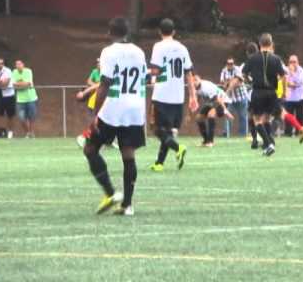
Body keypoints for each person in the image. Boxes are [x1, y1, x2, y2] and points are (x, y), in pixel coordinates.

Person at [83, 17, 147, 216]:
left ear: (110, 33)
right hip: (135, 108)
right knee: (128, 154)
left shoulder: (108, 52)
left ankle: (111, 193)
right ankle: (128, 205)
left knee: (90, 148)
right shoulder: (139, 51)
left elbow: (105, 84)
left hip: (114, 108)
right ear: (127, 33)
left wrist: (95, 114)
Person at [149, 19, 198, 172]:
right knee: (168, 131)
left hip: (162, 94)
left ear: (159, 32)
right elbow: (188, 74)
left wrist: (148, 74)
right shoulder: (182, 48)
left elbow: (156, 70)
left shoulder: (158, 46)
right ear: (174, 32)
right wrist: (193, 96)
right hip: (177, 96)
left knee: (156, 129)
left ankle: (178, 147)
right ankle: (159, 163)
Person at [242, 33, 286, 157]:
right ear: (271, 44)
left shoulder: (253, 58)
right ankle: (269, 143)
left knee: (257, 120)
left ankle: (268, 143)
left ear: (259, 44)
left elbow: (244, 73)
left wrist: (250, 81)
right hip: (272, 93)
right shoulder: (276, 59)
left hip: (258, 91)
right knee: (267, 118)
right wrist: (284, 92)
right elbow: (283, 76)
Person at [194, 75, 233, 147]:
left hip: (223, 101)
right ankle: (205, 141)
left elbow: (218, 99)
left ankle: (211, 142)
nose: (194, 82)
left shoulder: (206, 87)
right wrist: (191, 112)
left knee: (211, 115)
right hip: (211, 103)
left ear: (200, 79)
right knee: (199, 118)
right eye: (193, 81)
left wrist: (226, 111)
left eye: (196, 80)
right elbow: (196, 99)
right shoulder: (195, 88)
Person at [220, 57, 248, 137]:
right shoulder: (224, 71)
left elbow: (238, 82)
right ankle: (226, 134)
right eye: (229, 64)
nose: (230, 65)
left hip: (241, 97)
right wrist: (232, 81)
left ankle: (243, 135)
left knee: (243, 116)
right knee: (227, 115)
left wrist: (230, 82)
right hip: (231, 99)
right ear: (226, 64)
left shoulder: (238, 69)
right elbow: (223, 83)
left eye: (232, 63)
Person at [12, 60, 38, 138]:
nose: (18, 65)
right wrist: (23, 84)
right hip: (20, 100)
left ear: (23, 64)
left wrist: (18, 84)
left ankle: (31, 133)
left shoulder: (28, 71)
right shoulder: (14, 72)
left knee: (32, 117)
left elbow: (28, 84)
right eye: (16, 64)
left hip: (31, 98)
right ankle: (28, 132)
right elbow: (13, 85)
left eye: (20, 64)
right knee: (21, 118)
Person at [284, 55, 303, 137]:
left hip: (300, 98)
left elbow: (299, 82)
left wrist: (293, 73)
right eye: (290, 62)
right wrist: (290, 83)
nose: (292, 63)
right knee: (288, 118)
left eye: (294, 62)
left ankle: (299, 133)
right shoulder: (286, 70)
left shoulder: (301, 71)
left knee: (300, 117)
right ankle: (288, 134)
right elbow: (285, 81)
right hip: (289, 98)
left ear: (298, 62)